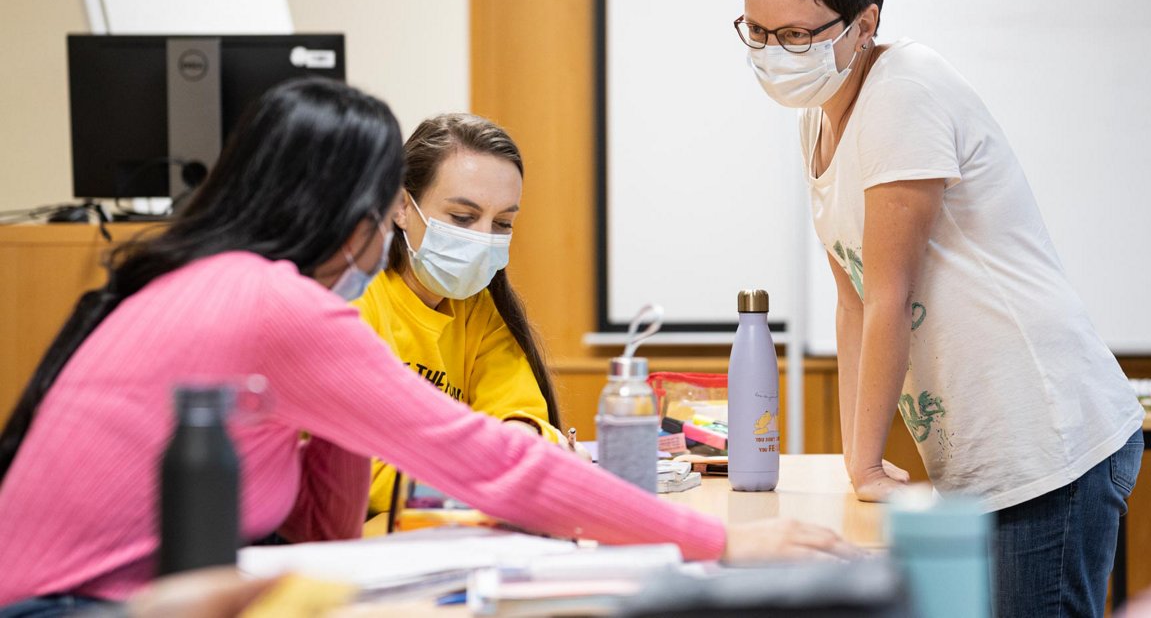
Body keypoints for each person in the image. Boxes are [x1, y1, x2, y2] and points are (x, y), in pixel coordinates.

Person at [0, 79, 841, 613]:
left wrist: (339, 430)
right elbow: (494, 462)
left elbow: (331, 518)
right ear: (376, 212)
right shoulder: (273, 303)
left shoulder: (220, 281)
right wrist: (723, 541)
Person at [736, 0, 1144, 617]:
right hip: (983, 448)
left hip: (1044, 437)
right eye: (758, 32)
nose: (776, 53)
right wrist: (853, 463)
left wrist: (865, 463)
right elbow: (854, 299)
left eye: (798, 35)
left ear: (863, 25)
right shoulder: (818, 118)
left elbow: (891, 292)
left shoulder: (904, 88)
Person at [355, 113, 574, 514]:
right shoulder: (356, 302)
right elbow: (362, 473)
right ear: (402, 206)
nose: (482, 238)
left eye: (503, 223)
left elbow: (525, 424)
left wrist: (515, 442)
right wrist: (487, 467)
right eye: (462, 217)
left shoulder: (478, 309)